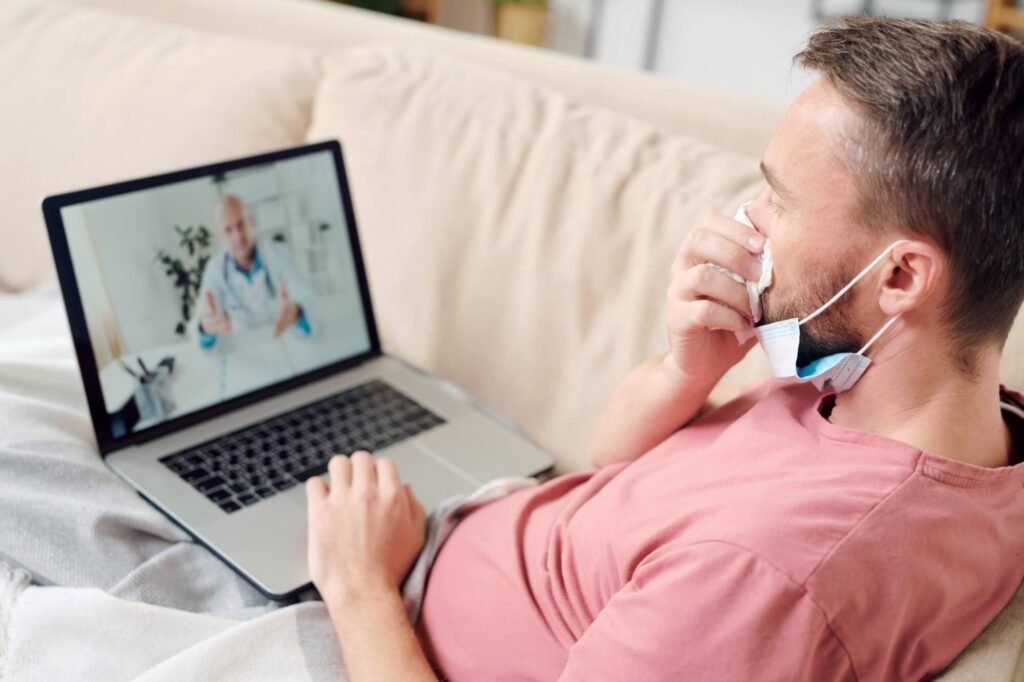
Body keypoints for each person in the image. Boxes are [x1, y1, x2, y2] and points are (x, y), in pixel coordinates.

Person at [304, 17, 1024, 681]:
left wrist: (360, 585)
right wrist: (686, 371)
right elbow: (614, 464)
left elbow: (740, 568)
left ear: (900, 278)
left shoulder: (761, 574)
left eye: (780, 201)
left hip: (376, 630)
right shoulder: (884, 400)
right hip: (428, 560)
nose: (748, 221)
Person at [191, 194, 316, 350]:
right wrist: (205, 328)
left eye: (241, 224)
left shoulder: (278, 253)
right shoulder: (215, 270)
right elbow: (201, 321)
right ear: (218, 236)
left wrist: (297, 313)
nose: (237, 236)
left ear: (250, 221)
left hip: (288, 342)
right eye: (228, 230)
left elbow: (309, 301)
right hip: (248, 349)